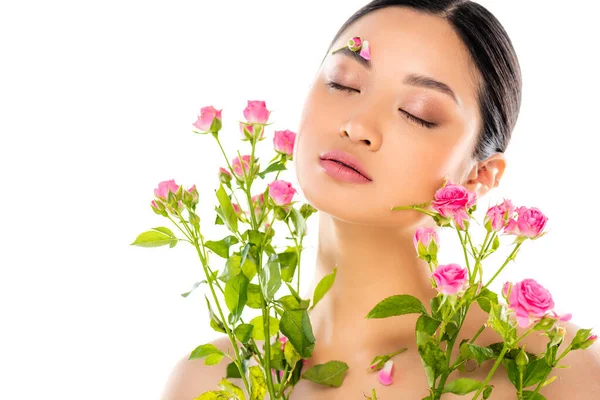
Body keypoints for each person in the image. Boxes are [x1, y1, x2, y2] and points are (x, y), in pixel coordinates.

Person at [161, 1, 600, 398]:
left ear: (479, 174)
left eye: (416, 113)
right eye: (343, 83)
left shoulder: (550, 371)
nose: (357, 125)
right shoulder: (214, 380)